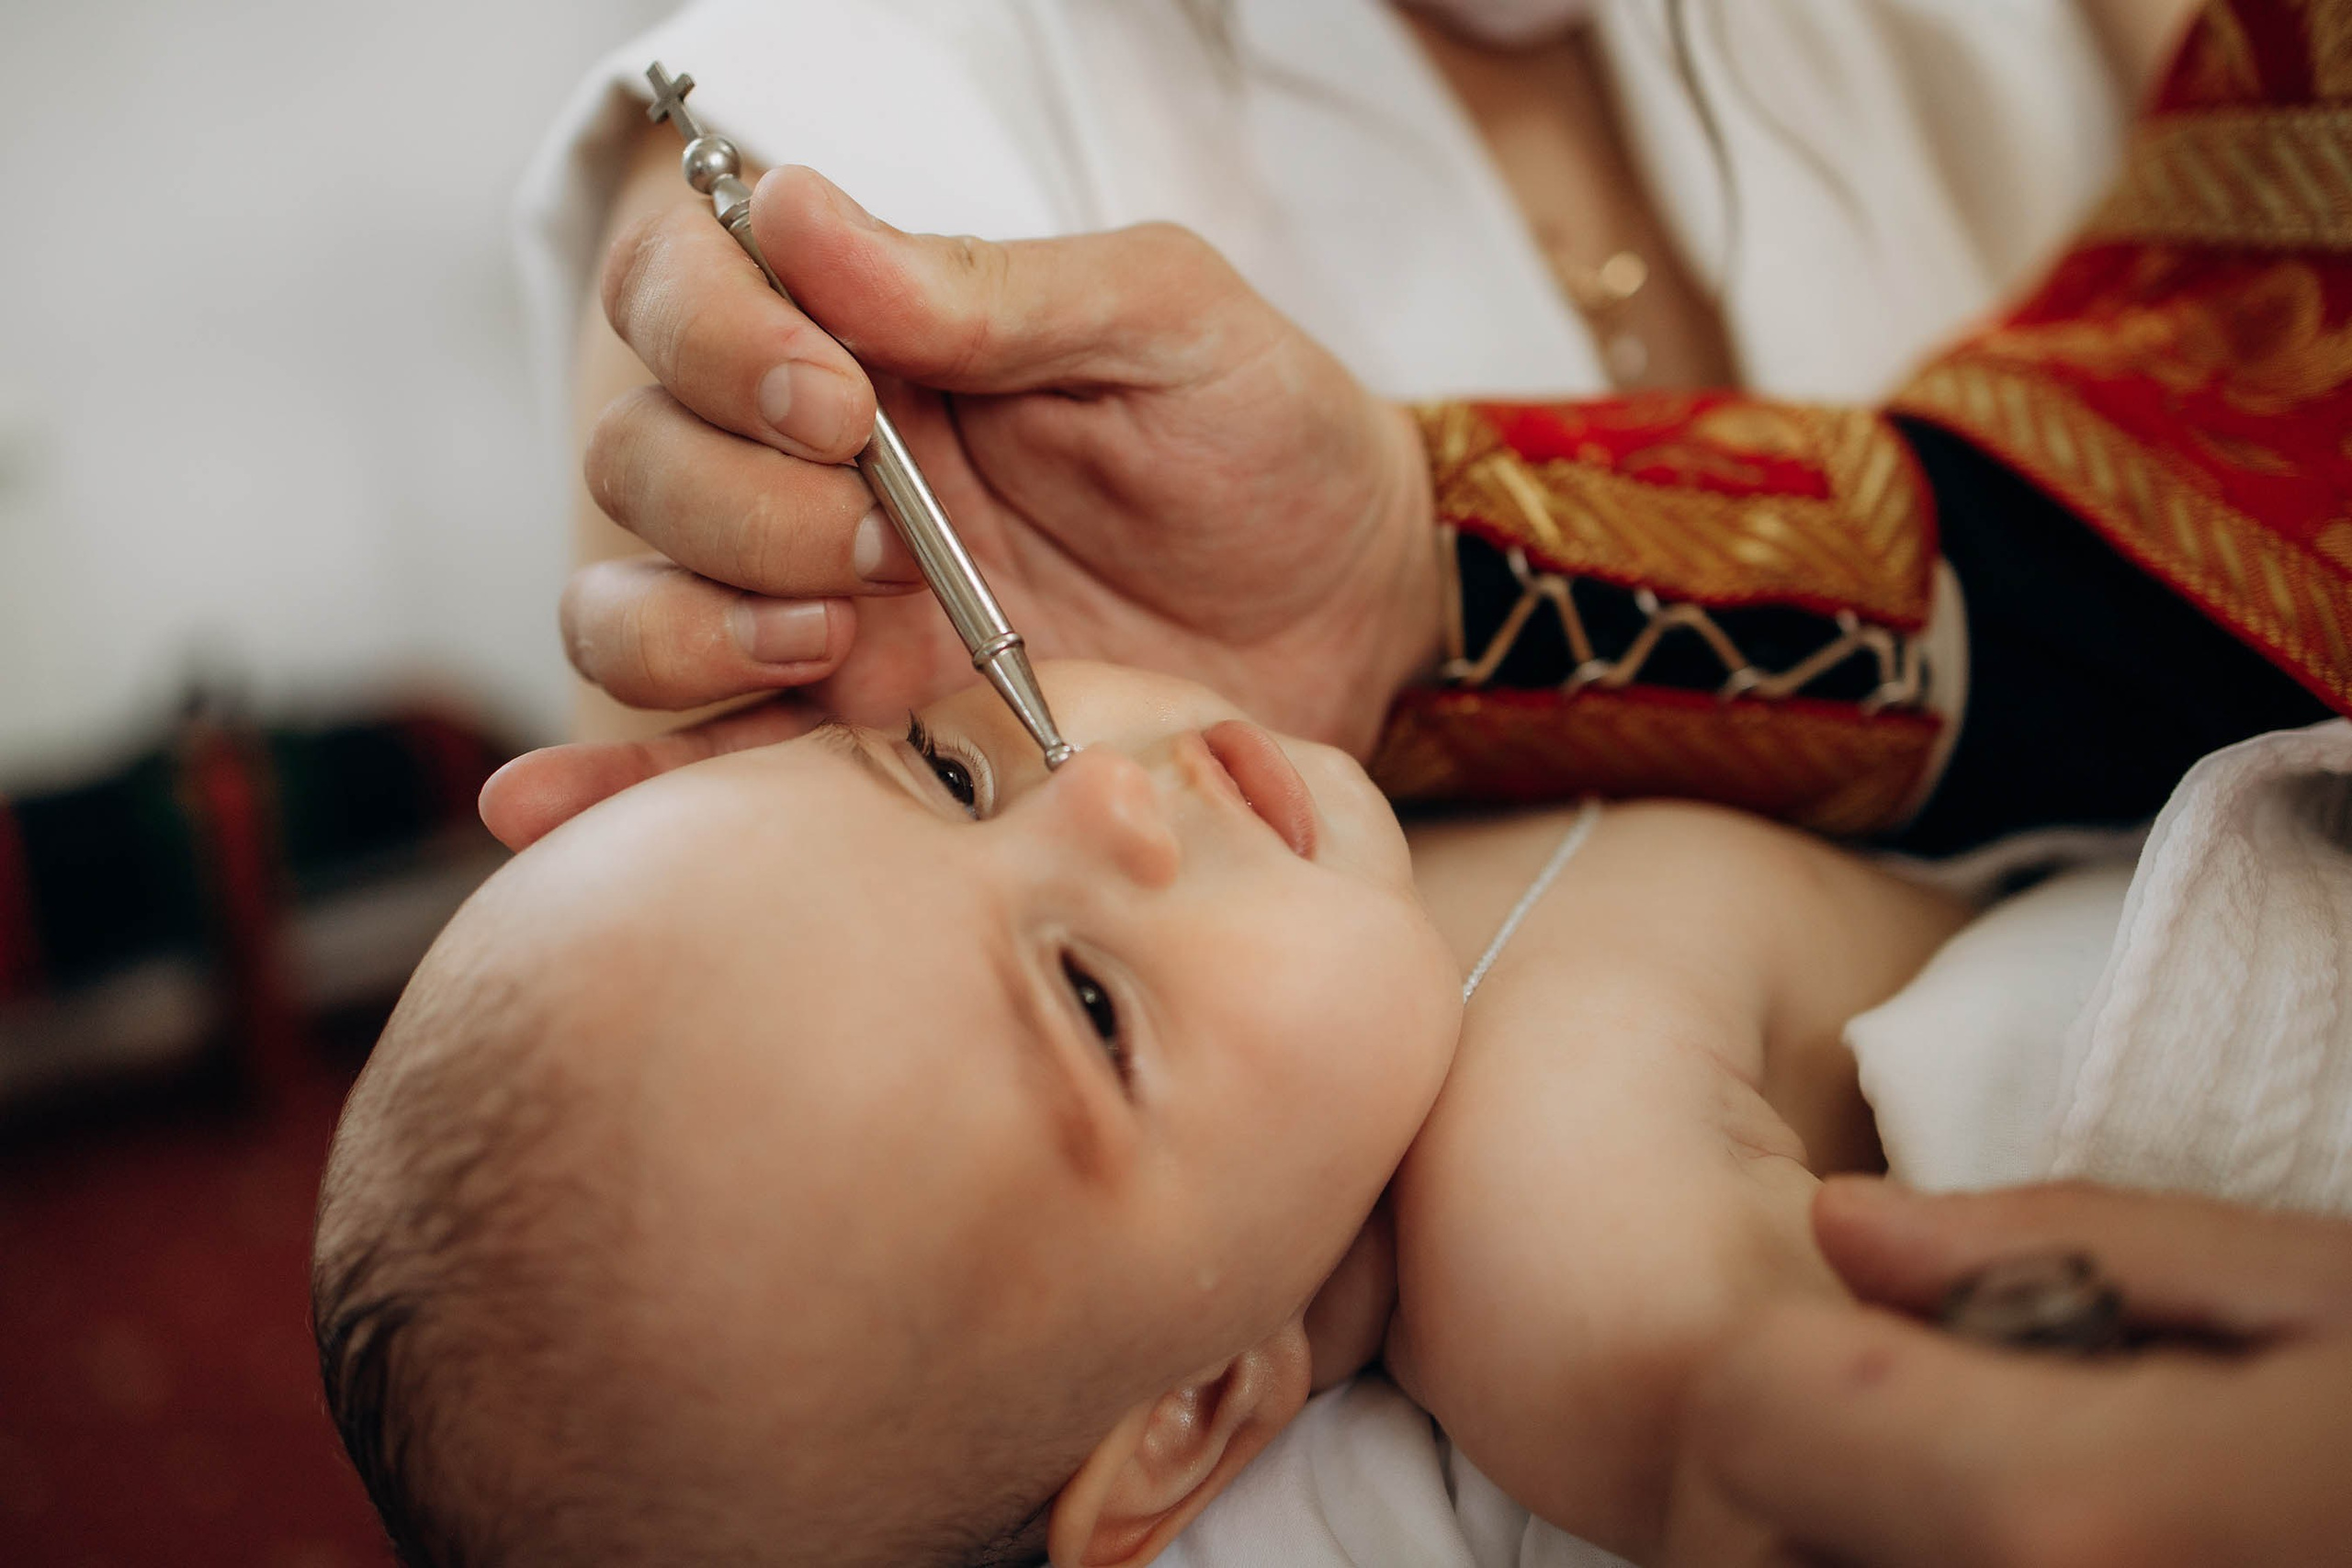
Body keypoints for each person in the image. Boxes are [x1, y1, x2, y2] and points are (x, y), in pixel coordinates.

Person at [316, 659, 1969, 1568]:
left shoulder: (1346, 992)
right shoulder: (1546, 1221)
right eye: (1092, 1002)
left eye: (947, 775)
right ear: (1188, 1420)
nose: (1102, 790)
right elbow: (1881, 1451)